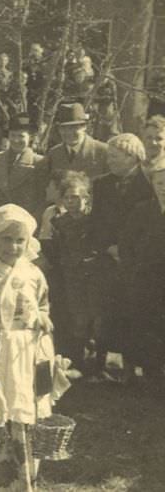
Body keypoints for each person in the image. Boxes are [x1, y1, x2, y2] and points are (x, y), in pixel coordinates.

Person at [0, 204, 55, 492]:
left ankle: (19, 482)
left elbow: (42, 303)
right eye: (6, 239)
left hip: (25, 353)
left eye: (20, 240)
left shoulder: (33, 274)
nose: (13, 247)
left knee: (21, 413)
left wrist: (42, 317)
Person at [88, 133, 152, 382]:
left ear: (133, 156)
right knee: (106, 311)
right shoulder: (102, 184)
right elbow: (96, 223)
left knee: (134, 313)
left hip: (137, 259)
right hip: (108, 257)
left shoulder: (148, 183)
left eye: (116, 156)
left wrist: (129, 251)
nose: (111, 161)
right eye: (109, 156)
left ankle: (133, 367)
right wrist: (107, 248)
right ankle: (100, 365)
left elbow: (150, 223)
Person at [119, 156, 165, 386]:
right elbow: (126, 243)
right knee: (141, 323)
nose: (164, 189)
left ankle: (157, 370)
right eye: (160, 184)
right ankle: (137, 369)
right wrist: (131, 271)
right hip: (145, 278)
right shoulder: (143, 210)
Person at [45, 171, 94, 378]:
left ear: (86, 198)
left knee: (90, 317)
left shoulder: (94, 221)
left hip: (91, 274)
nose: (71, 202)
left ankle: (93, 361)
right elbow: (56, 249)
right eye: (67, 198)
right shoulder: (60, 222)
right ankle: (73, 360)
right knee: (72, 315)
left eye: (76, 197)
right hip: (68, 275)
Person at [0, 114, 45, 218]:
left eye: (21, 136)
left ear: (30, 137)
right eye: (12, 135)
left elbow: (41, 200)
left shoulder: (39, 162)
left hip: (26, 221)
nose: (16, 140)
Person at [44, 102, 109, 180]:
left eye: (73, 127)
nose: (68, 132)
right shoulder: (54, 154)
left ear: (84, 127)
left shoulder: (103, 151)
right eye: (63, 128)